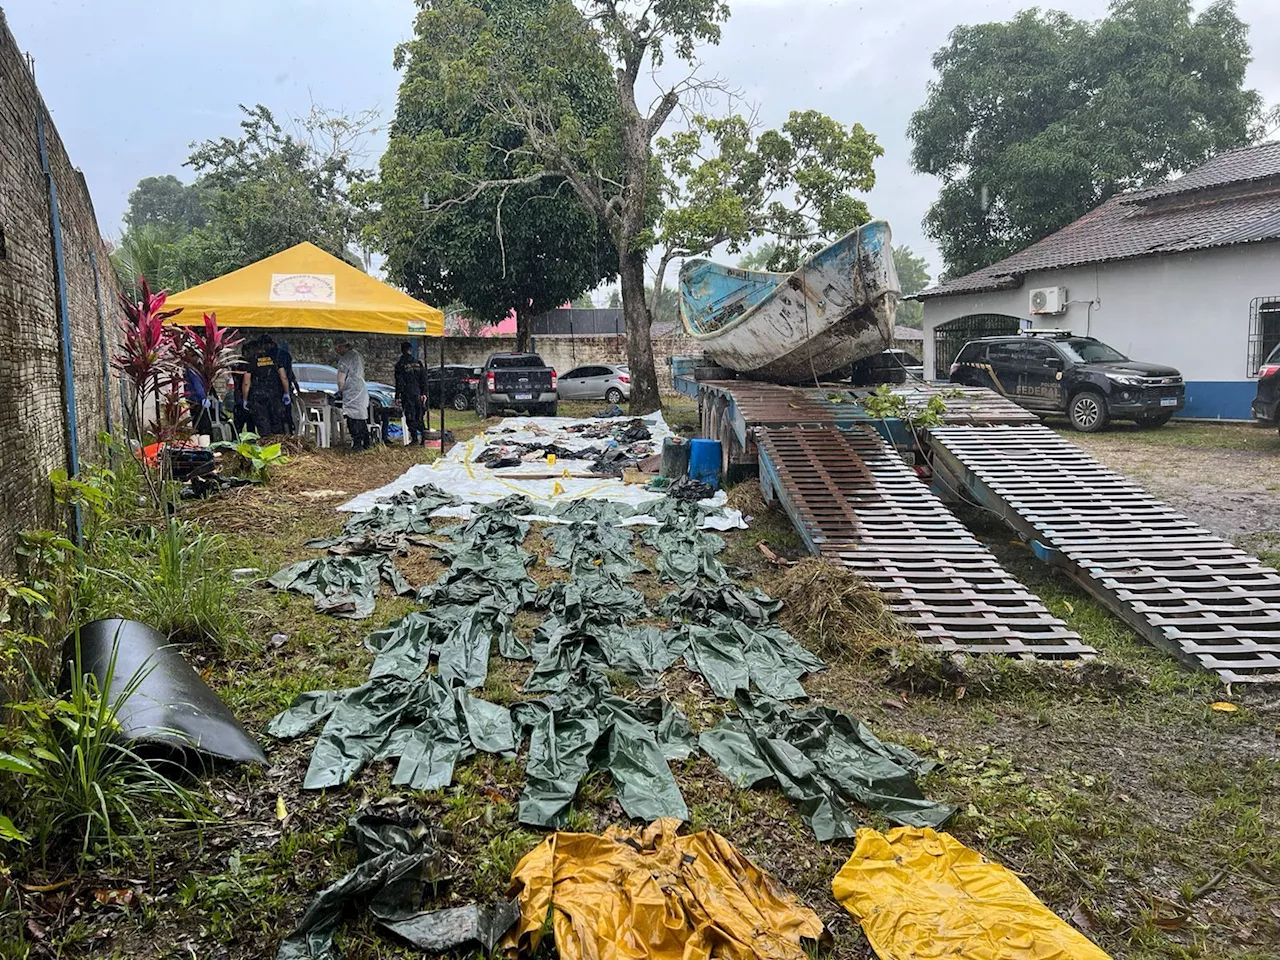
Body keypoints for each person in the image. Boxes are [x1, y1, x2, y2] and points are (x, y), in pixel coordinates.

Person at [243, 335, 290, 436]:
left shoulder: (251, 360)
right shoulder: (275, 359)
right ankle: (277, 446)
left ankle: (266, 445)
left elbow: (246, 382)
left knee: (263, 424)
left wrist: (245, 399)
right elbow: (284, 377)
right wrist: (286, 393)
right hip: (274, 395)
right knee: (276, 422)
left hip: (258, 396)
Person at [335, 339, 370, 451]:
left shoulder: (345, 358)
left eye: (337, 348)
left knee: (352, 416)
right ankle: (366, 442)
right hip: (361, 388)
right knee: (361, 415)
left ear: (342, 347)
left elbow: (341, 378)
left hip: (351, 390)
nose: (337, 350)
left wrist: (340, 390)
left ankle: (357, 443)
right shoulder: (357, 355)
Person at [394, 341, 428, 445]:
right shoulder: (418, 363)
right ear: (410, 350)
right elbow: (424, 379)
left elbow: (399, 382)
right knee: (419, 416)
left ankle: (414, 438)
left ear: (401, 350)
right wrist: (424, 393)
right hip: (418, 393)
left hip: (407, 393)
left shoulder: (400, 364)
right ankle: (423, 438)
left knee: (410, 416)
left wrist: (397, 396)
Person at [274, 338, 300, 433]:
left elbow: (287, 375)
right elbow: (289, 376)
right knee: (286, 412)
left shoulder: (277, 357)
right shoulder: (285, 356)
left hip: (278, 388)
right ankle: (289, 428)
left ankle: (285, 429)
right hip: (283, 388)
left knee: (281, 413)